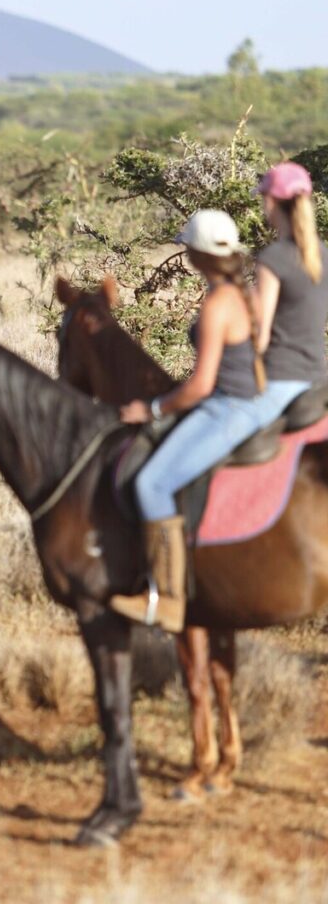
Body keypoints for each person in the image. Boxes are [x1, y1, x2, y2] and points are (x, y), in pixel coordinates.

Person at [112, 210, 266, 633]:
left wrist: (152, 409)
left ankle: (168, 599)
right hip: (244, 402)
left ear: (199, 255)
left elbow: (200, 385)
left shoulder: (218, 302)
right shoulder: (242, 292)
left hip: (226, 408)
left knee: (151, 484)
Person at [250, 162, 328, 426]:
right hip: (316, 379)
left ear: (271, 202)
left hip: (278, 379)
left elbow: (259, 338)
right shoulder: (323, 255)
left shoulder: (274, 258)